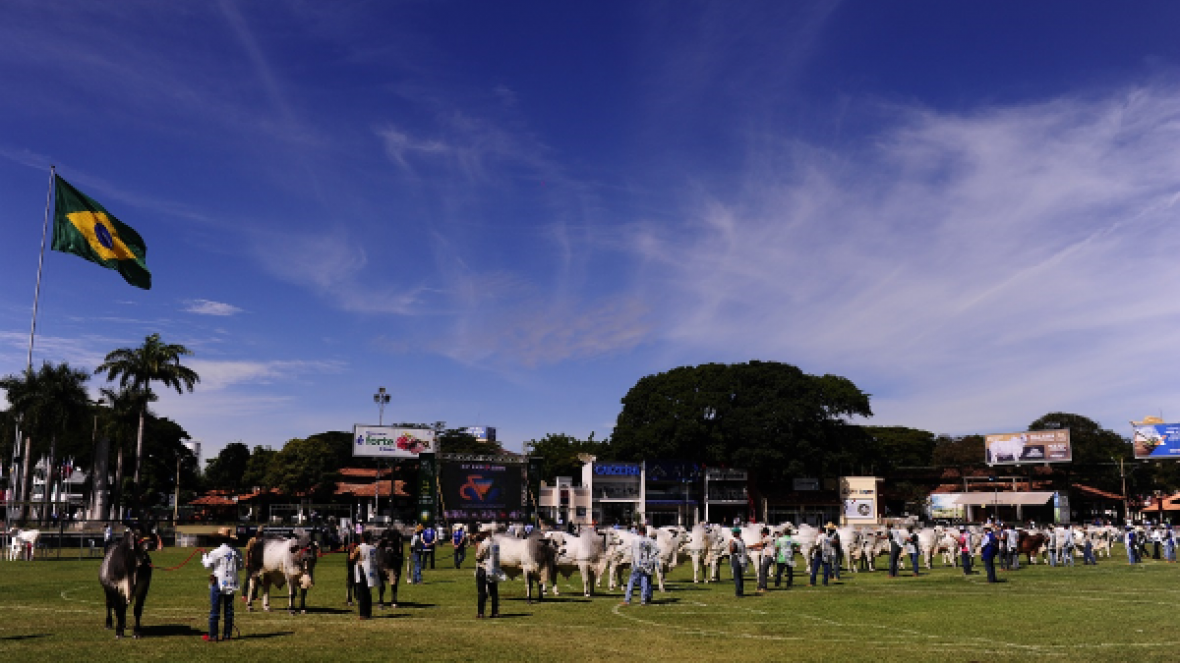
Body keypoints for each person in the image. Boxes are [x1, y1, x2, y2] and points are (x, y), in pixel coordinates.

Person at [201, 539, 243, 642]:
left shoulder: (216, 552)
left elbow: (207, 565)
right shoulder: (237, 552)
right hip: (230, 583)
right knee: (229, 610)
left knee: (215, 610)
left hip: (218, 583)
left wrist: (204, 555)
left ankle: (213, 635)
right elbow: (240, 567)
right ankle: (227, 634)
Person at [623, 525, 655, 605]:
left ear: (639, 531)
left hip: (637, 563)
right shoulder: (649, 540)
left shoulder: (635, 540)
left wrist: (632, 562)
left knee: (631, 581)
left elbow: (633, 552)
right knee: (644, 580)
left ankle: (627, 599)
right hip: (645, 563)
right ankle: (643, 600)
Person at [349, 531, 377, 620]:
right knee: (368, 593)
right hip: (371, 571)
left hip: (362, 571)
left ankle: (363, 614)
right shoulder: (373, 548)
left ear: (362, 538)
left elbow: (352, 558)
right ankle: (368, 612)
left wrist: (351, 550)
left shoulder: (360, 548)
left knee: (361, 593)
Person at [473, 531, 500, 618]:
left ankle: (481, 613)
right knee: (494, 592)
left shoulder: (484, 544)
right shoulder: (496, 543)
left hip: (483, 568)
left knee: (482, 592)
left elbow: (478, 557)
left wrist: (477, 548)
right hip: (493, 568)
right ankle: (495, 612)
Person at [754, 526, 774, 594]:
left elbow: (760, 544)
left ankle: (764, 587)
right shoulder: (768, 539)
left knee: (763, 572)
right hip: (767, 557)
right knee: (762, 571)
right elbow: (762, 547)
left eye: (762, 533)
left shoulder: (767, 538)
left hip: (768, 557)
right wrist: (754, 549)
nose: (761, 534)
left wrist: (750, 546)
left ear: (764, 533)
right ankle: (760, 586)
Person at [729, 527, 748, 597]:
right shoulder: (742, 541)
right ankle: (741, 591)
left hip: (736, 559)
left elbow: (732, 551)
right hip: (742, 560)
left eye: (734, 532)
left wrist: (730, 545)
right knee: (740, 576)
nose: (732, 533)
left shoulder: (734, 541)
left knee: (736, 576)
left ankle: (738, 592)